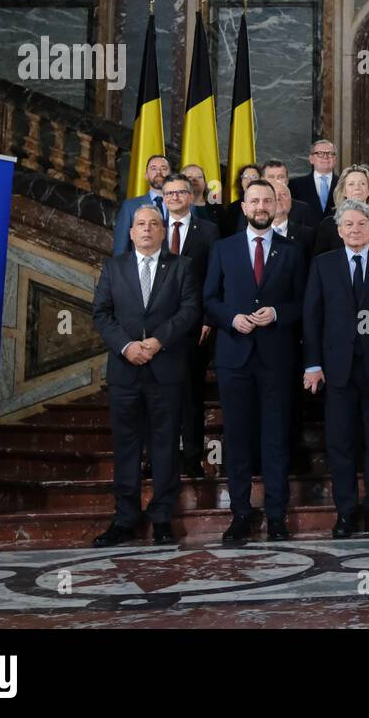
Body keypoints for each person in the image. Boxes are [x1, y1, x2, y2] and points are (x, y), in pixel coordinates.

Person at [202, 180, 308, 544]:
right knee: (239, 438)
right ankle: (241, 514)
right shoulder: (223, 249)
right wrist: (231, 317)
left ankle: (277, 515)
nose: (261, 206)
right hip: (235, 357)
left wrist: (277, 312)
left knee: (276, 439)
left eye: (267, 200)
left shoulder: (292, 251)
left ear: (277, 205)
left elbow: (303, 304)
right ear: (244, 207)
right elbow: (209, 299)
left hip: (276, 358)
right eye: (254, 201)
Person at [91, 206, 201, 546]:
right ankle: (125, 519)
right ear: (131, 231)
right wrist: (126, 346)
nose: (148, 229)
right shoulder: (114, 267)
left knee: (166, 446)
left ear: (164, 231)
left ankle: (162, 517)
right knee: (126, 447)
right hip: (125, 371)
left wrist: (157, 341)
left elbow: (189, 311)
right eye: (141, 224)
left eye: (155, 224)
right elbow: (101, 313)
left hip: (165, 369)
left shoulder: (181, 267)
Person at [303, 200, 369, 538]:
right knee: (340, 443)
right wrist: (313, 363)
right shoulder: (323, 264)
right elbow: (312, 317)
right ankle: (346, 513)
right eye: (348, 224)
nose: (354, 230)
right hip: (337, 370)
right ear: (339, 230)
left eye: (361, 224)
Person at [161, 173, 219, 477]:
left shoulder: (208, 231)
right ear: (162, 197)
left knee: (192, 395)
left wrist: (209, 317)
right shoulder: (151, 227)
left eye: (180, 192)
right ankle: (158, 459)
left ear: (190, 195)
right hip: (157, 327)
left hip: (195, 325)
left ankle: (193, 457)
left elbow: (214, 277)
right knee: (158, 396)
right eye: (169, 193)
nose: (174, 198)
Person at [314, 164, 369, 255]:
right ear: (344, 191)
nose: (357, 187)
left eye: (362, 183)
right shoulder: (328, 225)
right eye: (351, 184)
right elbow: (319, 264)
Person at [112, 154, 171, 254]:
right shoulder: (129, 207)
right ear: (146, 175)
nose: (158, 172)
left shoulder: (183, 207)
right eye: (153, 168)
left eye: (163, 168)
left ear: (170, 175)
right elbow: (120, 249)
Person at [289, 140, 339, 221]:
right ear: (311, 159)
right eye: (320, 153)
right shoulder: (295, 185)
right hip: (305, 232)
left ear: (335, 159)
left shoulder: (344, 184)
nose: (325, 157)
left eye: (330, 153)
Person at [219, 163, 261, 236]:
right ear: (241, 182)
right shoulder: (232, 208)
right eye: (245, 177)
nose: (249, 180)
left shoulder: (266, 205)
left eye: (254, 177)